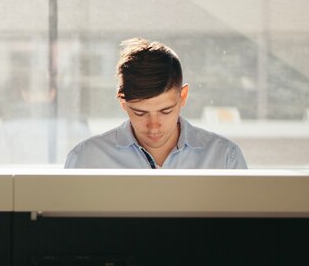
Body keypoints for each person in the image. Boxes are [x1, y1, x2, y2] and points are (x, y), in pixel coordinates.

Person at [65, 38, 247, 169]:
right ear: (123, 103)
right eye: (140, 113)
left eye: (165, 111)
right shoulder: (87, 159)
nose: (153, 127)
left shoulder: (224, 158)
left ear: (183, 96)